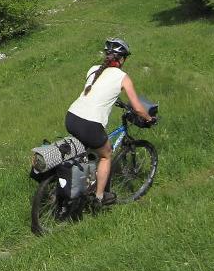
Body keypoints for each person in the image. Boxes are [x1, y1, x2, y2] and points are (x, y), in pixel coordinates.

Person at [65, 37, 155, 207]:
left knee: (89, 152)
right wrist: (149, 118)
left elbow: (97, 92)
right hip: (89, 123)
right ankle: (99, 198)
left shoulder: (93, 69)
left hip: (71, 117)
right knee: (106, 155)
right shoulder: (123, 77)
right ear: (122, 59)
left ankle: (84, 185)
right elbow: (137, 108)